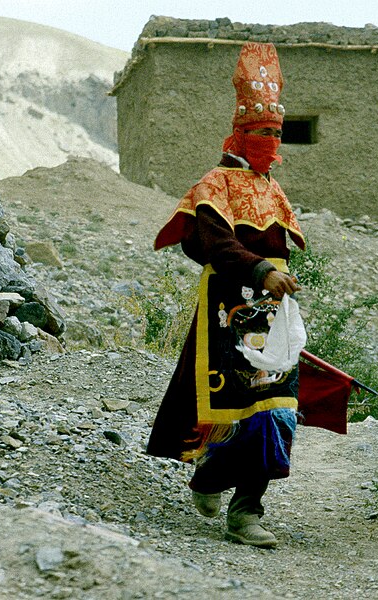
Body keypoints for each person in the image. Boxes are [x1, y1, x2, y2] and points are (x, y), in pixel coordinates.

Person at [147, 41, 306, 549]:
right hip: (228, 308)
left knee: (276, 405)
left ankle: (246, 511)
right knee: (231, 405)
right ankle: (210, 477)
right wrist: (260, 271)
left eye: (277, 133)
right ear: (241, 131)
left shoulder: (273, 188)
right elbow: (215, 244)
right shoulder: (215, 184)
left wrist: (280, 284)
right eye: (263, 132)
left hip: (275, 310)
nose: (270, 140)